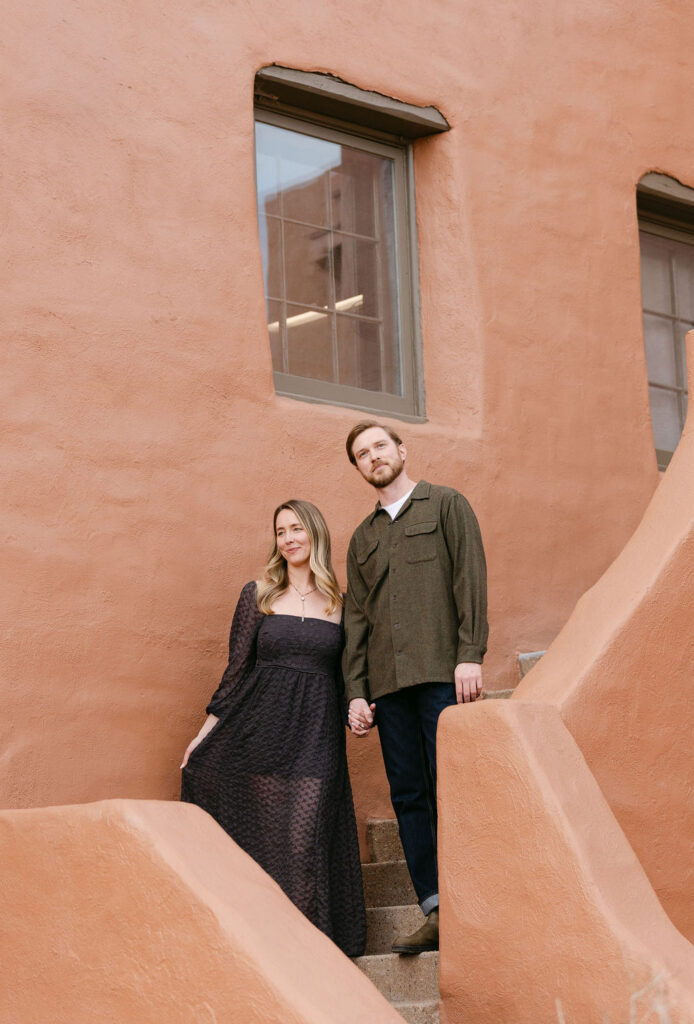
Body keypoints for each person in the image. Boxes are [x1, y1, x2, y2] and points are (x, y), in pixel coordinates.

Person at [181, 499, 366, 957]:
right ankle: (264, 949)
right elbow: (236, 671)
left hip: (316, 737)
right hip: (259, 731)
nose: (288, 538)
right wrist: (204, 735)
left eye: (297, 528)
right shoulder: (258, 593)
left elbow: (348, 678)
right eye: (281, 531)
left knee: (303, 845)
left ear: (315, 534)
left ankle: (308, 953)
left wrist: (356, 709)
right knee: (266, 843)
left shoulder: (342, 605)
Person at [342, 422, 488, 955]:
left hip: (441, 673)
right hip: (388, 685)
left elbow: (469, 577)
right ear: (358, 469)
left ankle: (472, 901)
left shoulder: (447, 506)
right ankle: (436, 910)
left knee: (452, 785)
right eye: (362, 453)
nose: (374, 456)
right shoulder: (362, 539)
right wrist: (356, 691)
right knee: (408, 795)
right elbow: (356, 619)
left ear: (401, 451)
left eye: (380, 445)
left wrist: (470, 654)